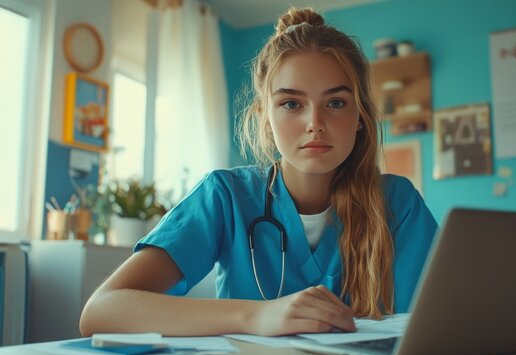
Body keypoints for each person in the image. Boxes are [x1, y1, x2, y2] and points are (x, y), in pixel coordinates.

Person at [80, 7, 437, 337]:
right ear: (266, 118)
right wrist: (257, 316)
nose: (315, 123)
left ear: (360, 116)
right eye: (291, 104)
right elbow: (101, 311)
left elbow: (437, 322)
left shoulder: (398, 203)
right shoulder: (225, 196)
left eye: (336, 102)